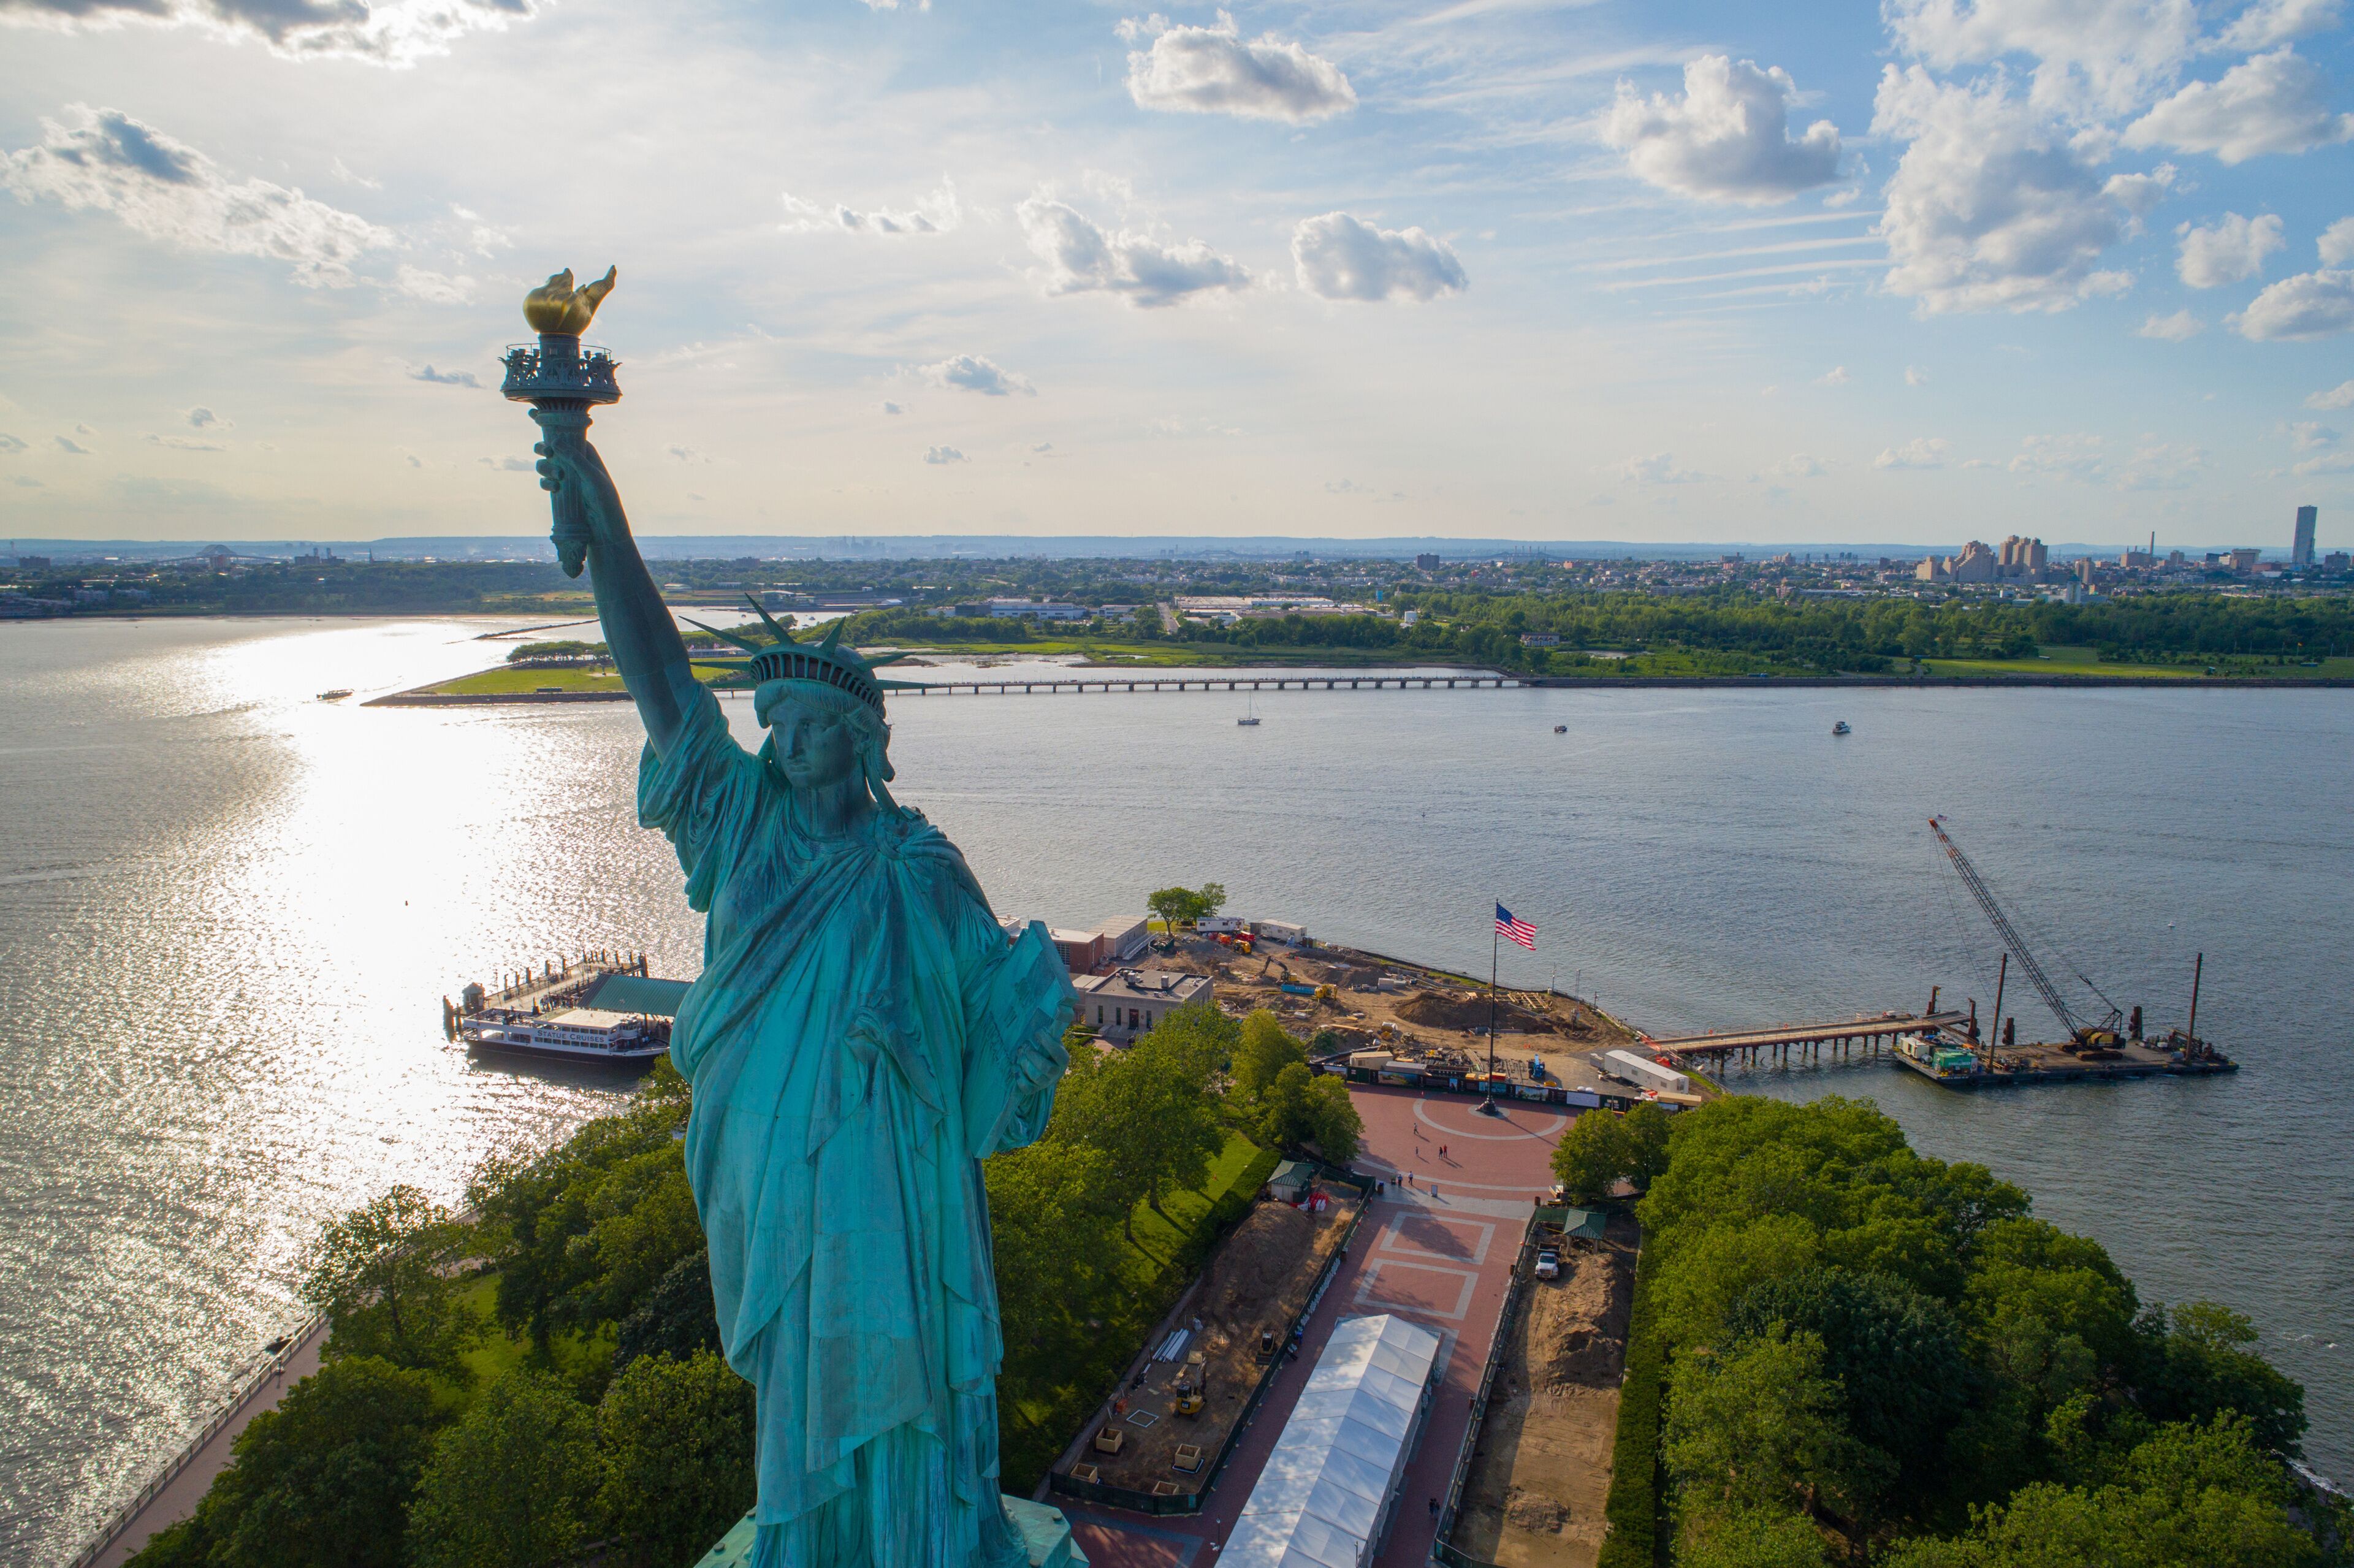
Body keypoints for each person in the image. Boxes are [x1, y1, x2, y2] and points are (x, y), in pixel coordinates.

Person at [533, 438, 1073, 1568]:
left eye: (814, 724)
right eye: (775, 721)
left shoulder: (919, 864)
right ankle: (813, 1536)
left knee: (903, 1354)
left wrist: (1033, 1001)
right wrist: (605, 523)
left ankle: (920, 1536)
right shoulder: (737, 823)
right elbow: (667, 690)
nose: (788, 740)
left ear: (866, 741)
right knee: (802, 1360)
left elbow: (990, 1008)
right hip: (771, 1162)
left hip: (896, 1169)